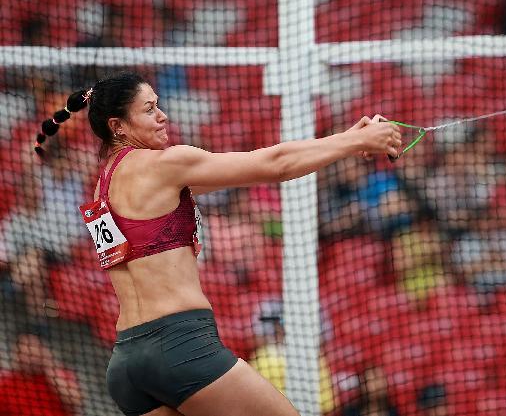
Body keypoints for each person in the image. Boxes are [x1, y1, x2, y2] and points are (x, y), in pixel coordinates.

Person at [32, 72, 402, 416]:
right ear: (118, 126)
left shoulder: (104, 185)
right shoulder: (164, 165)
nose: (162, 116)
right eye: (149, 109)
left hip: (128, 363)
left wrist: (346, 141)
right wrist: (356, 141)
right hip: (181, 347)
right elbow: (276, 164)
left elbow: (257, 170)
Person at [0, 332, 83, 416]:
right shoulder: (8, 383)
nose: (32, 357)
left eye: (35, 350)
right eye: (26, 352)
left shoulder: (59, 375)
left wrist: (50, 369)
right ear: (17, 354)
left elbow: (76, 402)